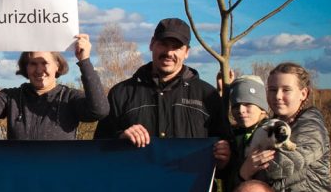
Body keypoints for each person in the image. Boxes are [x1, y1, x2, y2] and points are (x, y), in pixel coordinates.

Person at [93, 18, 230, 163]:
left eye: (177, 47)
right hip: (136, 184)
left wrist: (226, 157)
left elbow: (227, 151)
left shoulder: (208, 95)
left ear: (187, 52)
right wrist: (120, 139)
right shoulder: (120, 93)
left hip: (191, 185)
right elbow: (98, 148)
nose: (169, 52)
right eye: (163, 44)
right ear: (152, 44)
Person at [241, 63, 331, 192]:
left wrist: (249, 167)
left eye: (286, 90)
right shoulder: (270, 127)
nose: (277, 96)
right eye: (272, 90)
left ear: (303, 93)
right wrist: (244, 171)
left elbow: (285, 164)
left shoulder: (311, 125)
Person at [0, 32, 109, 139]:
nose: (39, 70)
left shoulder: (69, 98)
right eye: (33, 64)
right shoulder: (11, 98)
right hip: (20, 178)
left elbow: (99, 110)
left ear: (57, 66)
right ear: (26, 67)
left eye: (45, 63)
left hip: (59, 178)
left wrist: (85, 62)